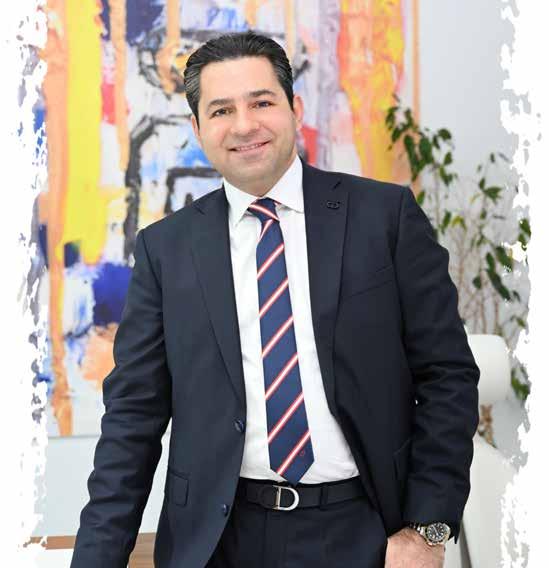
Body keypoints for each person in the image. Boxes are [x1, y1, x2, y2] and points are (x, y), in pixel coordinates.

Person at [71, 31, 479, 568]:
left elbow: (447, 375)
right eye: (221, 110)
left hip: (365, 531)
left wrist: (427, 530)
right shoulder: (164, 250)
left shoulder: (385, 218)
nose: (244, 125)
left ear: (294, 109)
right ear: (198, 128)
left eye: (261, 102)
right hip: (219, 541)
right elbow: (132, 419)